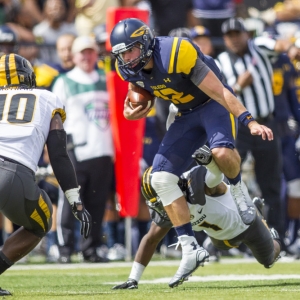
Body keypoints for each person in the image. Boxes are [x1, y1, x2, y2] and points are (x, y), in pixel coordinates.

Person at [110, 17, 274, 287]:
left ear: (146, 43)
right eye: (122, 53)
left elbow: (221, 92)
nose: (126, 58)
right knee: (160, 178)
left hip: (213, 105)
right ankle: (190, 249)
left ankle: (240, 193)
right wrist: (131, 111)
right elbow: (140, 89)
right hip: (185, 114)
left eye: (131, 50)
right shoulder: (126, 68)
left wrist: (250, 121)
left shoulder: (175, 53)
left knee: (221, 154)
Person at [112, 146, 281, 289]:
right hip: (220, 238)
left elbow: (216, 180)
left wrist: (210, 165)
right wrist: (133, 278)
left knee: (269, 259)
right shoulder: (169, 208)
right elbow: (151, 240)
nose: (164, 206)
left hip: (246, 223)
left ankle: (263, 221)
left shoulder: (195, 182)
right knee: (223, 246)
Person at [0, 53, 92, 296]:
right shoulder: (47, 97)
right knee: (41, 222)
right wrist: (75, 200)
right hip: (12, 172)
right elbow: (59, 155)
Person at [215, 17, 300, 243]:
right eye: (229, 35)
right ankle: (232, 239)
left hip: (267, 124)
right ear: (224, 39)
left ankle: (278, 237)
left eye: (237, 34)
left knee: (271, 182)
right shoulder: (220, 61)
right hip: (239, 127)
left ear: (246, 34)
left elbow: (279, 45)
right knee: (230, 181)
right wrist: (239, 85)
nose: (234, 39)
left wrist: (290, 47)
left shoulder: (259, 47)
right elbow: (218, 93)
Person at [51, 35, 114, 263]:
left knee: (97, 204)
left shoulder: (107, 80)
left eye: (90, 52)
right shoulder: (65, 81)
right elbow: (54, 118)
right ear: (74, 56)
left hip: (103, 149)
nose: (87, 57)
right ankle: (64, 249)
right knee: (70, 203)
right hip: (74, 150)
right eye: (82, 53)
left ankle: (91, 248)